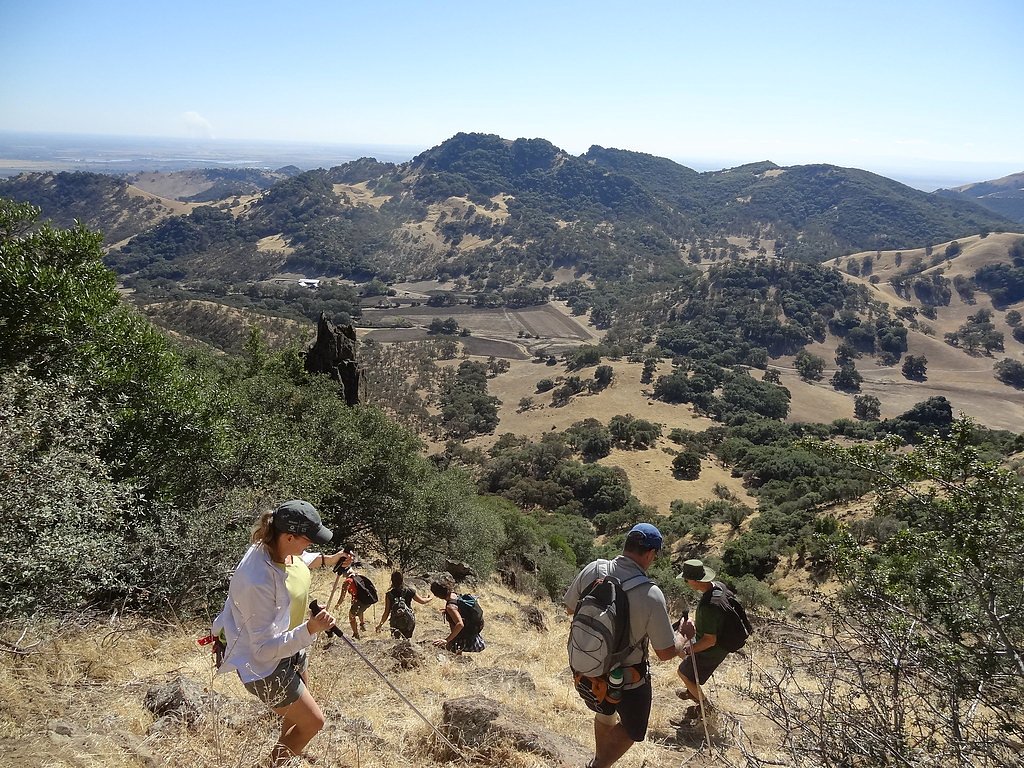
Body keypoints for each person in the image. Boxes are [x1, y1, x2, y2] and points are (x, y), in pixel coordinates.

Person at [213, 500, 346, 766]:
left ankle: (287, 749)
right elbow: (261, 649)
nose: (311, 546)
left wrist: (330, 560)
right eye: (308, 540)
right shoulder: (257, 581)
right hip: (265, 666)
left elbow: (299, 560)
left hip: (293, 649)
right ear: (289, 536)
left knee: (298, 716)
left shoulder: (278, 548)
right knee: (313, 722)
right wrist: (310, 629)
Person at [563, 523, 685, 768]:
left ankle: (600, 760)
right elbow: (665, 652)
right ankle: (599, 765)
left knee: (605, 710)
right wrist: (682, 635)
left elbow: (569, 608)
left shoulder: (593, 569)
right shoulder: (650, 593)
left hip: (586, 668)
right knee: (634, 728)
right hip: (628, 678)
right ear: (650, 554)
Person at [673, 558, 731, 725]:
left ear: (696, 581)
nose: (686, 582)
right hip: (721, 641)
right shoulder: (719, 587)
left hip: (715, 648)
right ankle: (692, 692)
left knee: (683, 671)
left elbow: (709, 641)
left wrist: (688, 650)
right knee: (686, 661)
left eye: (687, 579)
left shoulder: (709, 606)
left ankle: (706, 708)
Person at [429, 579, 485, 653]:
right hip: (471, 627)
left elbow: (460, 624)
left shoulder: (450, 606)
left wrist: (446, 640)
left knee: (452, 648)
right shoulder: (453, 594)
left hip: (464, 632)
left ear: (437, 595)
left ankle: (459, 661)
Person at [376, 571, 432, 638]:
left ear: (392, 580)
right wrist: (430, 597)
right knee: (407, 642)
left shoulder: (389, 594)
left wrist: (380, 625)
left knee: (395, 642)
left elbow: (386, 612)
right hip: (409, 622)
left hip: (395, 622)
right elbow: (422, 601)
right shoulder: (410, 591)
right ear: (402, 579)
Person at [337, 561, 376, 639]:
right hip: (368, 599)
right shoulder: (359, 576)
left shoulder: (347, 582)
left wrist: (337, 606)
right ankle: (362, 624)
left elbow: (342, 597)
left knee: (351, 616)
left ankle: (356, 634)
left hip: (361, 601)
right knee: (358, 609)